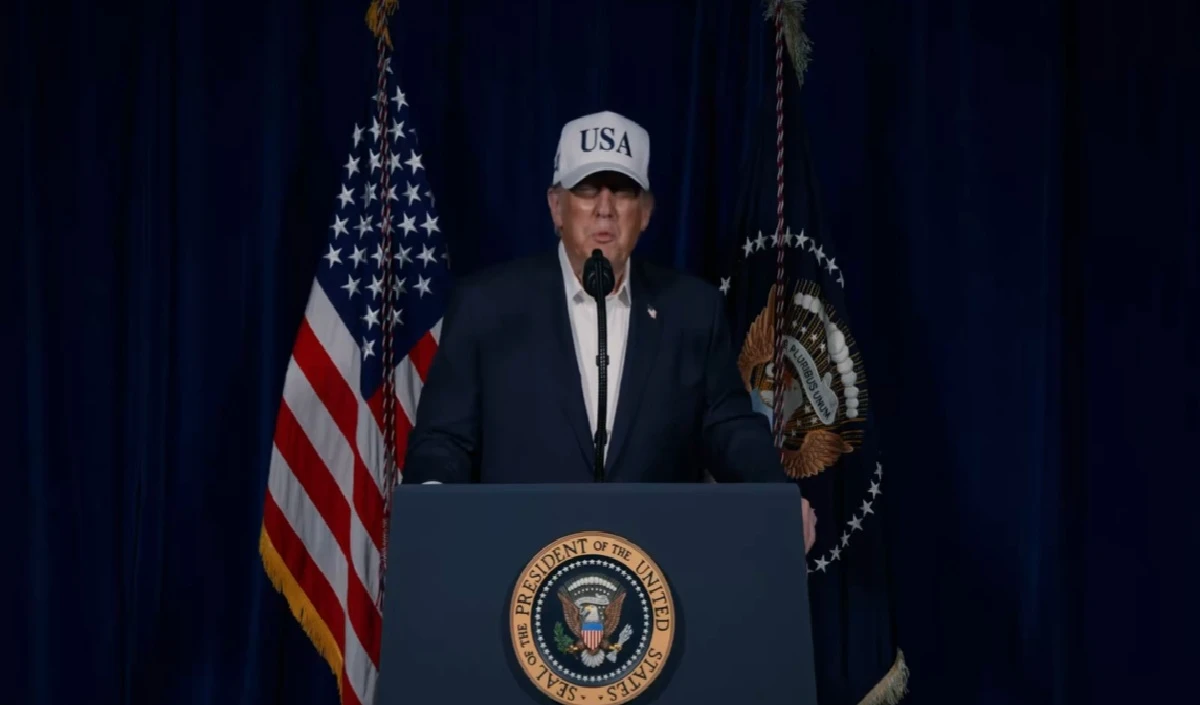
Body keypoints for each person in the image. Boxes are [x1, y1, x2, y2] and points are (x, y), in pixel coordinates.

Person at [403, 110, 816, 551]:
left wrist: (776, 497)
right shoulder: (487, 306)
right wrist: (432, 504)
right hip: (518, 560)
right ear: (556, 207)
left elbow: (729, 427)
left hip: (653, 565)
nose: (604, 208)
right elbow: (444, 439)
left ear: (646, 212)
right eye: (586, 189)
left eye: (621, 190)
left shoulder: (692, 311)